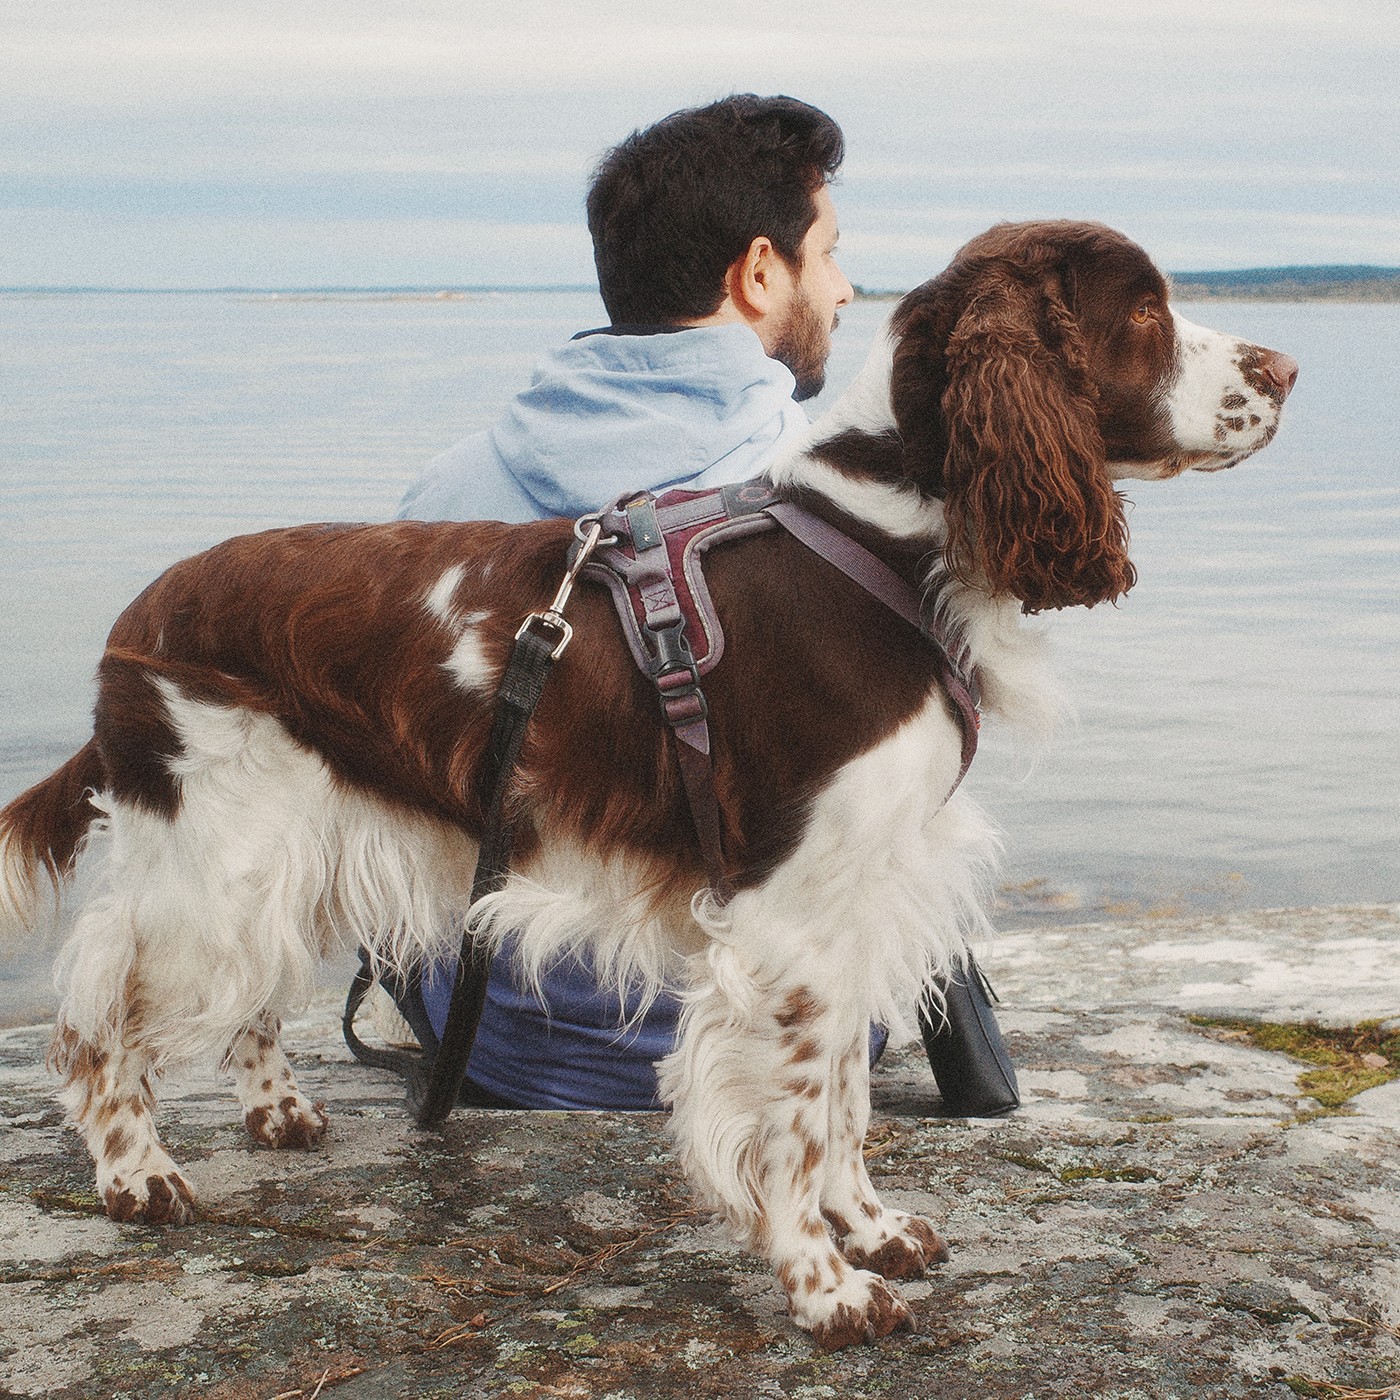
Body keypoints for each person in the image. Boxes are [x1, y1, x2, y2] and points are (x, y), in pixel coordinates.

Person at [386, 94, 1016, 1117]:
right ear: (759, 271)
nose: (846, 289)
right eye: (829, 253)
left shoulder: (442, 495)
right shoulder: (829, 503)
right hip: (770, 1044)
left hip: (495, 1043)